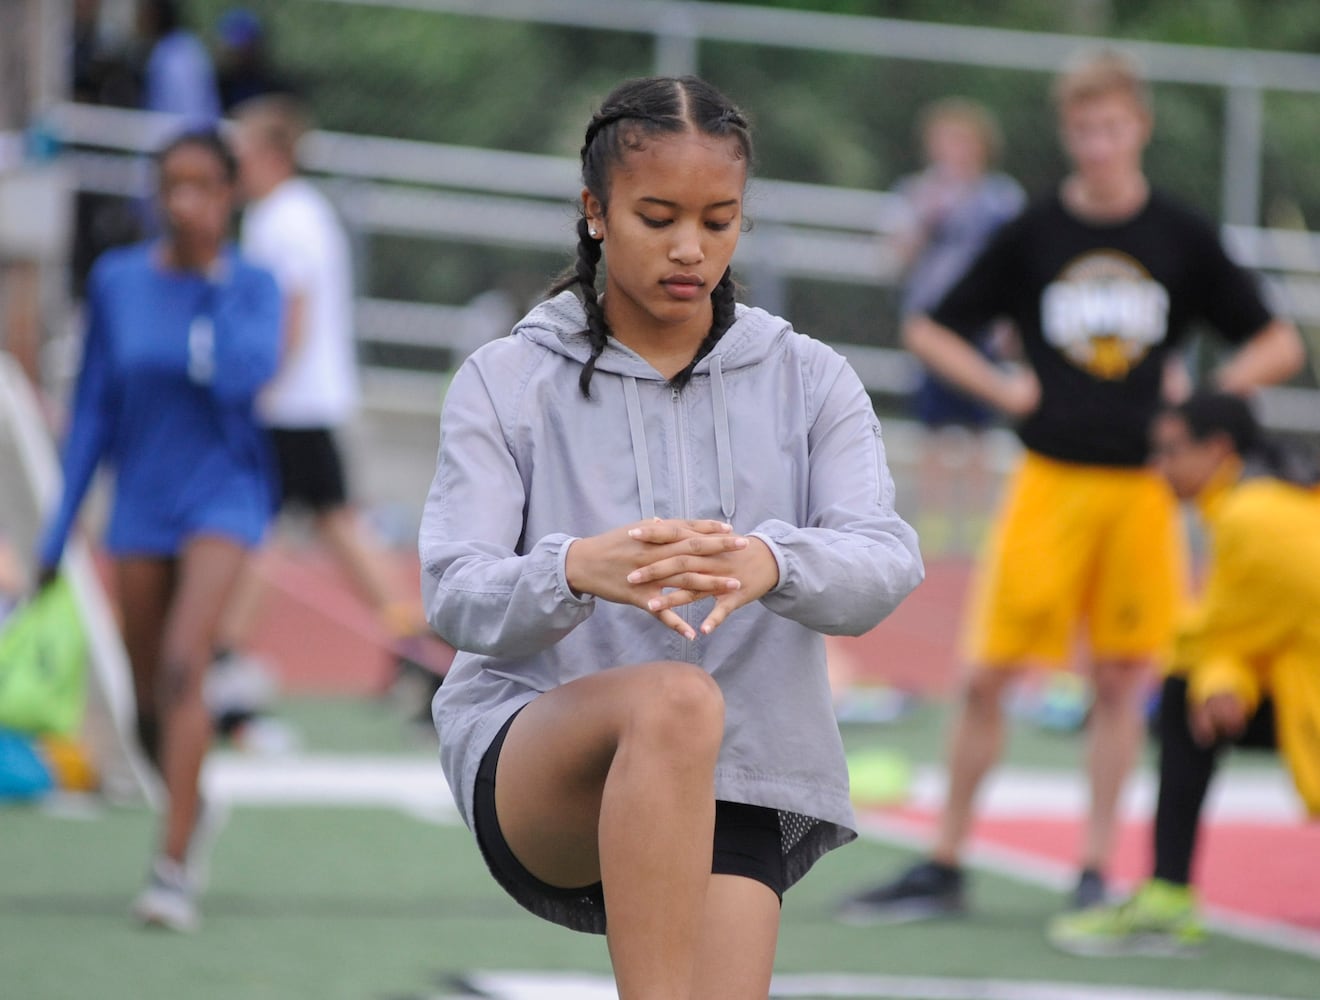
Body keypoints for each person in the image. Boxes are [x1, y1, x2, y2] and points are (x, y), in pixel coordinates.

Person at [421, 75, 924, 998]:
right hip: (541, 757)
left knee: (695, 714)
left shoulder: (811, 379)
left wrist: (774, 561)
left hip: (742, 776)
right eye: (657, 217)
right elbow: (454, 593)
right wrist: (574, 570)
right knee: (678, 702)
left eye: (719, 219)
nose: (691, 248)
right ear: (595, 212)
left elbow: (887, 561)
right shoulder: (503, 379)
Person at [837, 47, 1306, 922]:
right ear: (1068, 134)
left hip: (1142, 489)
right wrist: (1009, 389)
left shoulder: (1180, 234)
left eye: (1113, 127)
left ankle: (1094, 867)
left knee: (1125, 680)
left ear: (1140, 127)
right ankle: (945, 861)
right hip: (1049, 480)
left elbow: (1280, 343)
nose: (1099, 145)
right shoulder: (1036, 234)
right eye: (1084, 129)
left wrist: (1206, 401)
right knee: (985, 675)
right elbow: (934, 330)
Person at [34, 129, 283, 931]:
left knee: (184, 663)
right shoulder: (117, 281)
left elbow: (245, 380)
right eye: (172, 186)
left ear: (229, 195)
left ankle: (171, 869)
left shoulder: (252, 284)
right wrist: (57, 529)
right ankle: (191, 801)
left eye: (204, 186)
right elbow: (95, 409)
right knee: (145, 694)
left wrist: (211, 289)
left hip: (223, 493)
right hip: (140, 497)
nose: (186, 202)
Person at [1048, 392, 1319, 955]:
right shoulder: (1262, 502)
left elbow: (1212, 635)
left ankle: (1169, 896)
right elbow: (1249, 630)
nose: (1159, 467)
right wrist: (1224, 681)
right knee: (1188, 693)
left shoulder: (1255, 515)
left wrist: (1216, 679)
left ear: (1217, 449)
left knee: (1180, 690)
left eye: (1171, 451)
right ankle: (1168, 894)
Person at [218, 94, 424, 700]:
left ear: (273, 154)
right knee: (330, 524)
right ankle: (411, 638)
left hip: (291, 404)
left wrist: (256, 383)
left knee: (267, 528)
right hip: (303, 401)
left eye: (244, 151)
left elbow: (290, 315)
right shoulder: (288, 214)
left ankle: (224, 651)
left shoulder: (285, 219)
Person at [891, 98, 1025, 556]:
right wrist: (927, 218)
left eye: (962, 141)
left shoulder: (1000, 199)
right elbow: (897, 256)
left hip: (981, 329)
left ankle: (976, 521)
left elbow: (1017, 266)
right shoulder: (919, 193)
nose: (953, 151)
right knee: (933, 429)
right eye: (945, 141)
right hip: (933, 328)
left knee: (978, 429)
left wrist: (1012, 322)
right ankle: (931, 522)